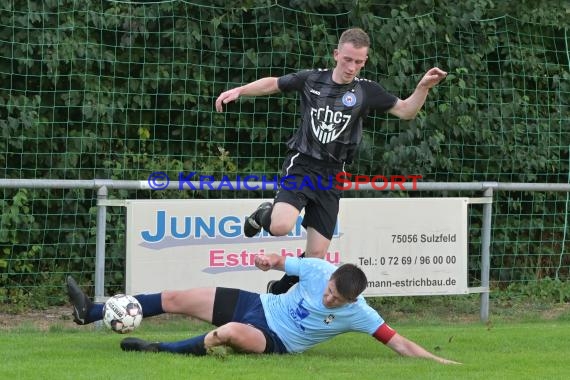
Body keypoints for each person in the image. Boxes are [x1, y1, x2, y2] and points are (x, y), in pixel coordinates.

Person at [215, 27, 447, 294]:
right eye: (347, 59)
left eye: (358, 62)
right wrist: (240, 90)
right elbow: (274, 83)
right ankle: (262, 214)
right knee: (280, 226)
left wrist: (422, 87)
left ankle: (278, 290)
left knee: (315, 258)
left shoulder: (366, 91)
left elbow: (406, 111)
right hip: (303, 164)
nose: (352, 67)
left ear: (365, 61)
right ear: (337, 54)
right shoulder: (312, 79)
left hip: (333, 175)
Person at [66, 255, 460, 364]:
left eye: (336, 301)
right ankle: (93, 312)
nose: (329, 299)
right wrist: (269, 261)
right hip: (258, 303)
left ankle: (159, 350)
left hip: (274, 339)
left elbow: (400, 343)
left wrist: (440, 363)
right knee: (176, 298)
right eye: (329, 292)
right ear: (331, 278)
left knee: (230, 334)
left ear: (351, 302)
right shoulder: (319, 270)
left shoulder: (361, 314)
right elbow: (282, 261)